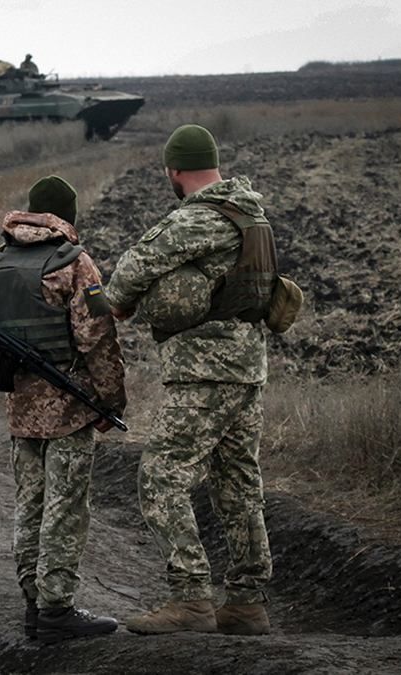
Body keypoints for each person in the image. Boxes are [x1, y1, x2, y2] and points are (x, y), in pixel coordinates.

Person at [104, 124, 276, 637]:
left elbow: (132, 269)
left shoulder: (199, 218)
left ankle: (191, 597)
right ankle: (246, 604)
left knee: (159, 478)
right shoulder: (253, 214)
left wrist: (118, 303)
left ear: (175, 171)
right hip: (247, 367)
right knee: (238, 483)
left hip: (205, 370)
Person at [0, 176, 127, 643]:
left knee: (30, 506)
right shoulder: (73, 262)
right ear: (67, 215)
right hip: (70, 410)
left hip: (22, 411)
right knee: (64, 508)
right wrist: (110, 399)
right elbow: (97, 338)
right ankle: (57, 610)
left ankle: (34, 603)